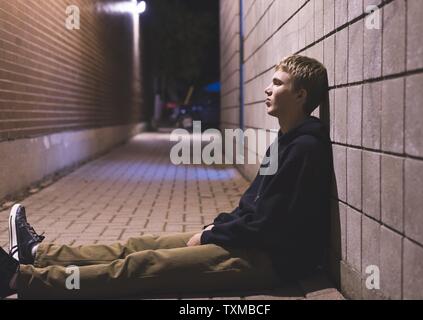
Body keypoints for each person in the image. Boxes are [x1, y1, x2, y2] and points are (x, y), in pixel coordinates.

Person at [0, 54, 332, 299]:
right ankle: (39, 255)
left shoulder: (305, 149)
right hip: (250, 241)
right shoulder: (286, 139)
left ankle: (21, 280)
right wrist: (215, 227)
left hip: (269, 260)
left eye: (277, 83)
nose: (266, 89)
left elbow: (269, 224)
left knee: (143, 266)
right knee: (140, 244)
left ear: (301, 95)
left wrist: (213, 236)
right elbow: (251, 207)